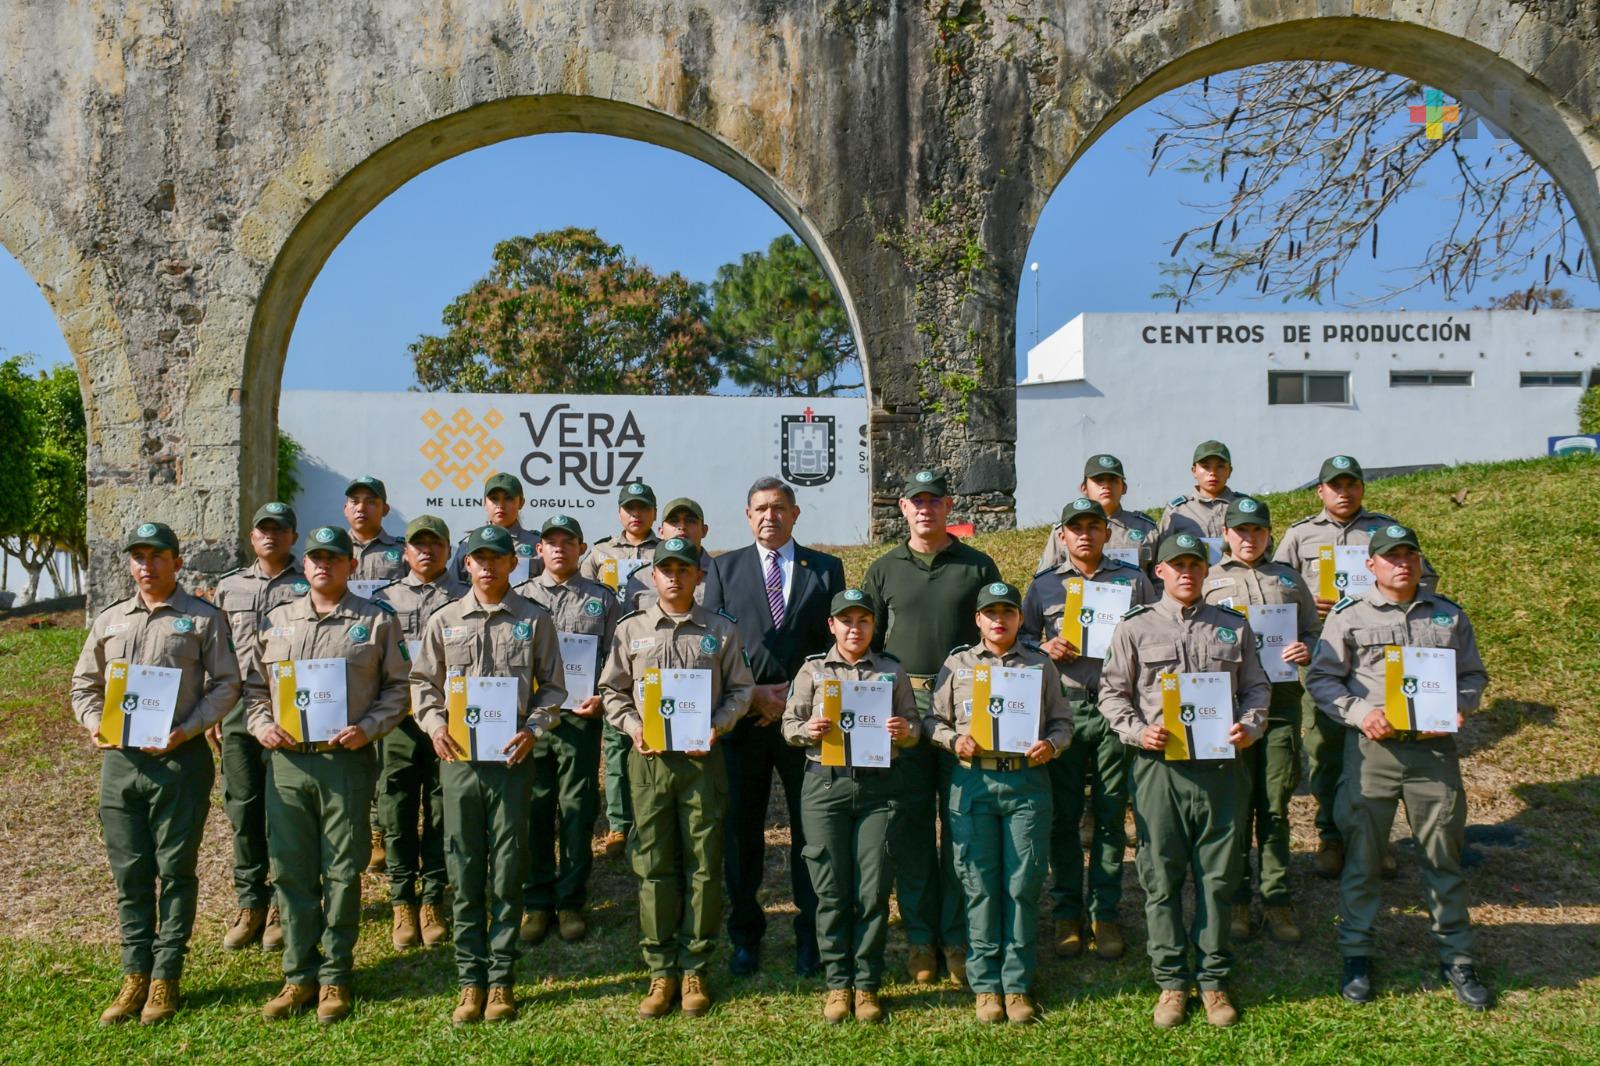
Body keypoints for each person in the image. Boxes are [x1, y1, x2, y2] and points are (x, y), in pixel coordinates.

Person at [1306, 522, 1491, 1011]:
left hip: (1433, 754)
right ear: (1371, 566)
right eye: (1390, 557)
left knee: (1442, 855)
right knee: (1363, 857)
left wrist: (1460, 704)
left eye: (1409, 555)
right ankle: (1358, 954)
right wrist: (1362, 714)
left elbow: (1473, 673)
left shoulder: (1449, 616)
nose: (1401, 564)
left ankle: (1456, 955)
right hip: (1373, 753)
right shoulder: (1348, 617)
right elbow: (1323, 680)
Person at [71, 521, 241, 1026]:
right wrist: (94, 724)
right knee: (130, 874)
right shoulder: (110, 621)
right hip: (121, 764)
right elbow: (84, 685)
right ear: (130, 564)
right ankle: (134, 974)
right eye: (138, 557)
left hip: (178, 761)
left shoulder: (203, 620)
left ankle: (166, 975)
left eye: (157, 556)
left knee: (175, 871)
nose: (147, 565)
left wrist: (188, 730)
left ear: (177, 561)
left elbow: (227, 684)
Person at [1099, 532, 1269, 1029]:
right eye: (1177, 564)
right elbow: (1113, 693)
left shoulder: (1233, 627)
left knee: (1218, 879)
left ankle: (1214, 980)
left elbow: (1257, 687)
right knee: (1161, 875)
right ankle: (1172, 981)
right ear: (1160, 571)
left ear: (1206, 569)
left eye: (1195, 563)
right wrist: (1137, 730)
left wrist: (1250, 725)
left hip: (1221, 770)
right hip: (1160, 770)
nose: (1187, 572)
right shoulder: (1135, 627)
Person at [246, 526, 408, 1024]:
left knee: (342, 870)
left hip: (346, 762)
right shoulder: (276, 622)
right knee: (292, 870)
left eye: (334, 558)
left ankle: (335, 972)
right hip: (289, 764)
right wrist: (262, 726)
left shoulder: (376, 621)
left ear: (351, 566)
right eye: (316, 557)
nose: (323, 565)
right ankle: (298, 975)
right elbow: (253, 689)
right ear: (306, 562)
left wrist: (368, 728)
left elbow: (399, 690)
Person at [414, 523, 567, 1025]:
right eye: (477, 558)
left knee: (505, 869)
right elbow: (424, 685)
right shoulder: (444, 620)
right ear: (467, 564)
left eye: (496, 557)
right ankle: (468, 979)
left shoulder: (534, 620)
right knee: (463, 867)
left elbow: (553, 690)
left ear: (511, 563)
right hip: (459, 762)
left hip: (511, 763)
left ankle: (500, 978)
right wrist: (434, 726)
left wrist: (535, 729)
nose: (486, 565)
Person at [599, 537, 755, 1020]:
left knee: (704, 865)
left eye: (683, 569)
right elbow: (611, 692)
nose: (673, 576)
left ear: (699, 576)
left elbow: (742, 690)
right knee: (652, 863)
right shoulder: (631, 631)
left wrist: (719, 726)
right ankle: (660, 967)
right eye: (664, 568)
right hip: (649, 762)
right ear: (652, 575)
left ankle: (695, 966)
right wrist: (632, 727)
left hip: (701, 762)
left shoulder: (721, 631)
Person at [860, 468, 1000, 986]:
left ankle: (957, 936)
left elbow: (999, 630)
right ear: (902, 507)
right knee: (912, 827)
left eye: (934, 500)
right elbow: (864, 640)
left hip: (967, 708)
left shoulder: (977, 565)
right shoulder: (884, 568)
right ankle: (921, 939)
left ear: (948, 506)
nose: (926, 509)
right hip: (904, 706)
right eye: (916, 501)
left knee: (963, 827)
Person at [702, 476, 844, 978]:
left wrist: (794, 700)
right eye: (760, 508)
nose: (770, 516)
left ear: (796, 514)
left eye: (779, 508)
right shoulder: (723, 568)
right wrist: (754, 695)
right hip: (744, 722)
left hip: (808, 722)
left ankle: (812, 936)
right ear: (747, 515)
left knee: (813, 832)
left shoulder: (825, 570)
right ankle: (746, 934)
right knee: (743, 832)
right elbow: (716, 642)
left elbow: (837, 646)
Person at [1273, 455, 1433, 879]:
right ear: (1320, 491)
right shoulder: (1300, 533)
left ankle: (1373, 840)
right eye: (1335, 485)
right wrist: (1310, 598)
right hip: (1322, 651)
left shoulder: (1385, 531)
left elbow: (1424, 579)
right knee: (1325, 750)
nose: (1344, 493)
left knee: (1380, 750)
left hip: (1377, 656)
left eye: (1352, 484)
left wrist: (1382, 592)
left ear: (1362, 488)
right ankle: (1330, 836)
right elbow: (1277, 586)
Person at [928, 581, 1072, 1025]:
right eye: (990, 612)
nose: (999, 620)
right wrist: (955, 740)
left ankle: (1017, 983)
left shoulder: (1039, 664)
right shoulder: (957, 664)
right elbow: (933, 719)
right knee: (979, 884)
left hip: (1026, 784)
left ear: (1019, 618)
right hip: (973, 784)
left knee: (1022, 883)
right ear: (977, 619)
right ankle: (986, 985)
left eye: (1007, 612)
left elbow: (1062, 723)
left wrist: (1051, 744)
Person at [1021, 497, 1157, 961]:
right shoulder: (1043, 587)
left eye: (1093, 527)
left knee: (1109, 814)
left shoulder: (1134, 581)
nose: (1084, 535)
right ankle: (1065, 913)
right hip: (1064, 712)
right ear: (1061, 535)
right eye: (1075, 527)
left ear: (1106, 533)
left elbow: (1155, 636)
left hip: (1115, 711)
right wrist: (1045, 645)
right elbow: (1019, 641)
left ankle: (1105, 912)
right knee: (1062, 817)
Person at [780, 588, 919, 1024]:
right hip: (826, 786)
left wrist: (904, 730)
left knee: (873, 890)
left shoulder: (892, 672)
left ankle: (868, 984)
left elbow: (915, 726)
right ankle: (839, 982)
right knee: (831, 889)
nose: (854, 628)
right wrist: (810, 729)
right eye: (846, 621)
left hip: (881, 789)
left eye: (863, 621)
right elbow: (788, 725)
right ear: (832, 626)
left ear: (873, 627)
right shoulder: (813, 671)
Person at [1200, 496, 1318, 944]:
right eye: (1241, 530)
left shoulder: (1289, 578)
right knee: (1231, 808)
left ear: (1269, 534)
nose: (1249, 538)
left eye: (1258, 530)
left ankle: (1277, 899)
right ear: (1227, 534)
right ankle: (1235, 901)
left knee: (1273, 806)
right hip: (1226, 707)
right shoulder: (1208, 581)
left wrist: (1307, 648)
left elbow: (1312, 629)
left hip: (1281, 704)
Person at [515, 514, 623, 945]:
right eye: (550, 541)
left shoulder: (603, 599)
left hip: (580, 719)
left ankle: (572, 901)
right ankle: (537, 902)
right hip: (532, 723)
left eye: (568, 541)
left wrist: (601, 693)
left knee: (577, 812)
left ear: (582, 549)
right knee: (535, 810)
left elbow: (615, 658)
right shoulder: (519, 597)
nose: (559, 548)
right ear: (538, 549)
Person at [209, 501, 305, 953]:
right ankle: (251, 903)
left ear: (293, 536)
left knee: (287, 810)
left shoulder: (309, 583)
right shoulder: (229, 588)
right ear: (252, 537)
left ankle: (288, 905)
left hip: (289, 708)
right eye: (263, 529)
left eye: (280, 529)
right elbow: (215, 652)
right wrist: (213, 711)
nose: (271, 536)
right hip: (236, 707)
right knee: (243, 808)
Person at [370, 515, 464, 951]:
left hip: (450, 723)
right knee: (397, 807)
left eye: (435, 543)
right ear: (404, 551)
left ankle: (432, 897)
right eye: (417, 544)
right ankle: (402, 899)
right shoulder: (382, 601)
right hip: (399, 721)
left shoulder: (464, 598)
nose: (426, 550)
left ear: (447, 549)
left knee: (443, 810)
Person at [582, 480, 662, 857]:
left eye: (643, 508)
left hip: (653, 658)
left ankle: (649, 819)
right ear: (619, 512)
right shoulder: (599, 554)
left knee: (651, 738)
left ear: (653, 513)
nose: (636, 514)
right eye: (629, 507)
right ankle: (618, 825)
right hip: (611, 656)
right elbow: (581, 599)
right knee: (615, 743)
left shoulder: (665, 553)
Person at [1036, 454, 1159, 574]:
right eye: (1099, 480)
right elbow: (1045, 582)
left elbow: (1161, 582)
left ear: (1124, 488)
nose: (1106, 486)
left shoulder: (1146, 529)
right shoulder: (1064, 530)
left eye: (1113, 480)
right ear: (1084, 488)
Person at [449, 472, 542, 586]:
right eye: (494, 499)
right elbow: (453, 589)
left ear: (521, 502)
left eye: (508, 498)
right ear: (484, 503)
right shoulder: (469, 544)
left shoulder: (537, 544)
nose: (501, 505)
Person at [621, 497, 713, 611]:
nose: (682, 527)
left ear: (704, 530)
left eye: (690, 521)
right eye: (674, 521)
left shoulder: (721, 575)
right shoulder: (639, 578)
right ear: (661, 532)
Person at [1156, 441, 1241, 553]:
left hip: (1236, 570)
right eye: (1206, 466)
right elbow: (1163, 553)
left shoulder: (1242, 506)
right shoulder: (1178, 510)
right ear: (1194, 471)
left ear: (1229, 471)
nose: (1213, 473)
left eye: (1220, 466)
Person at [343, 476, 407, 583]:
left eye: (371, 502)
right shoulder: (332, 551)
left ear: (385, 510)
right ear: (345, 509)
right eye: (354, 501)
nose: (361, 508)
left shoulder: (404, 551)